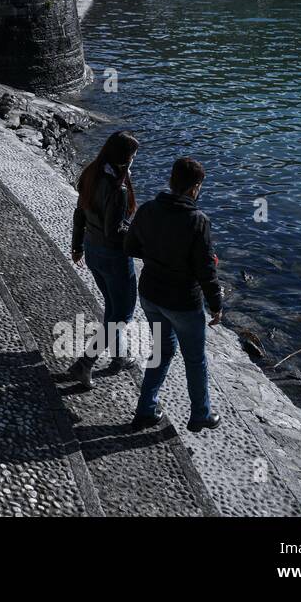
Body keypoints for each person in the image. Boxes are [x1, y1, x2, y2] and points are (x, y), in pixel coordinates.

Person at [124, 156, 224, 432]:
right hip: (183, 302)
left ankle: (145, 409)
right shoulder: (198, 221)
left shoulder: (147, 210)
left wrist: (159, 255)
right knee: (194, 358)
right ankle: (200, 414)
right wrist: (216, 304)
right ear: (195, 188)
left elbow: (130, 247)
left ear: (171, 180)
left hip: (151, 295)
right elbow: (206, 270)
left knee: (161, 351)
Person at [69, 131, 141, 389]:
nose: (134, 160)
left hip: (92, 250)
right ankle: (85, 363)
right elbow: (115, 231)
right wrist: (143, 240)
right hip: (114, 258)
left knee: (112, 309)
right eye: (133, 155)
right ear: (124, 157)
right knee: (121, 314)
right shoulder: (118, 189)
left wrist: (76, 245)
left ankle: (120, 356)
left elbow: (80, 212)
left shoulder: (91, 172)